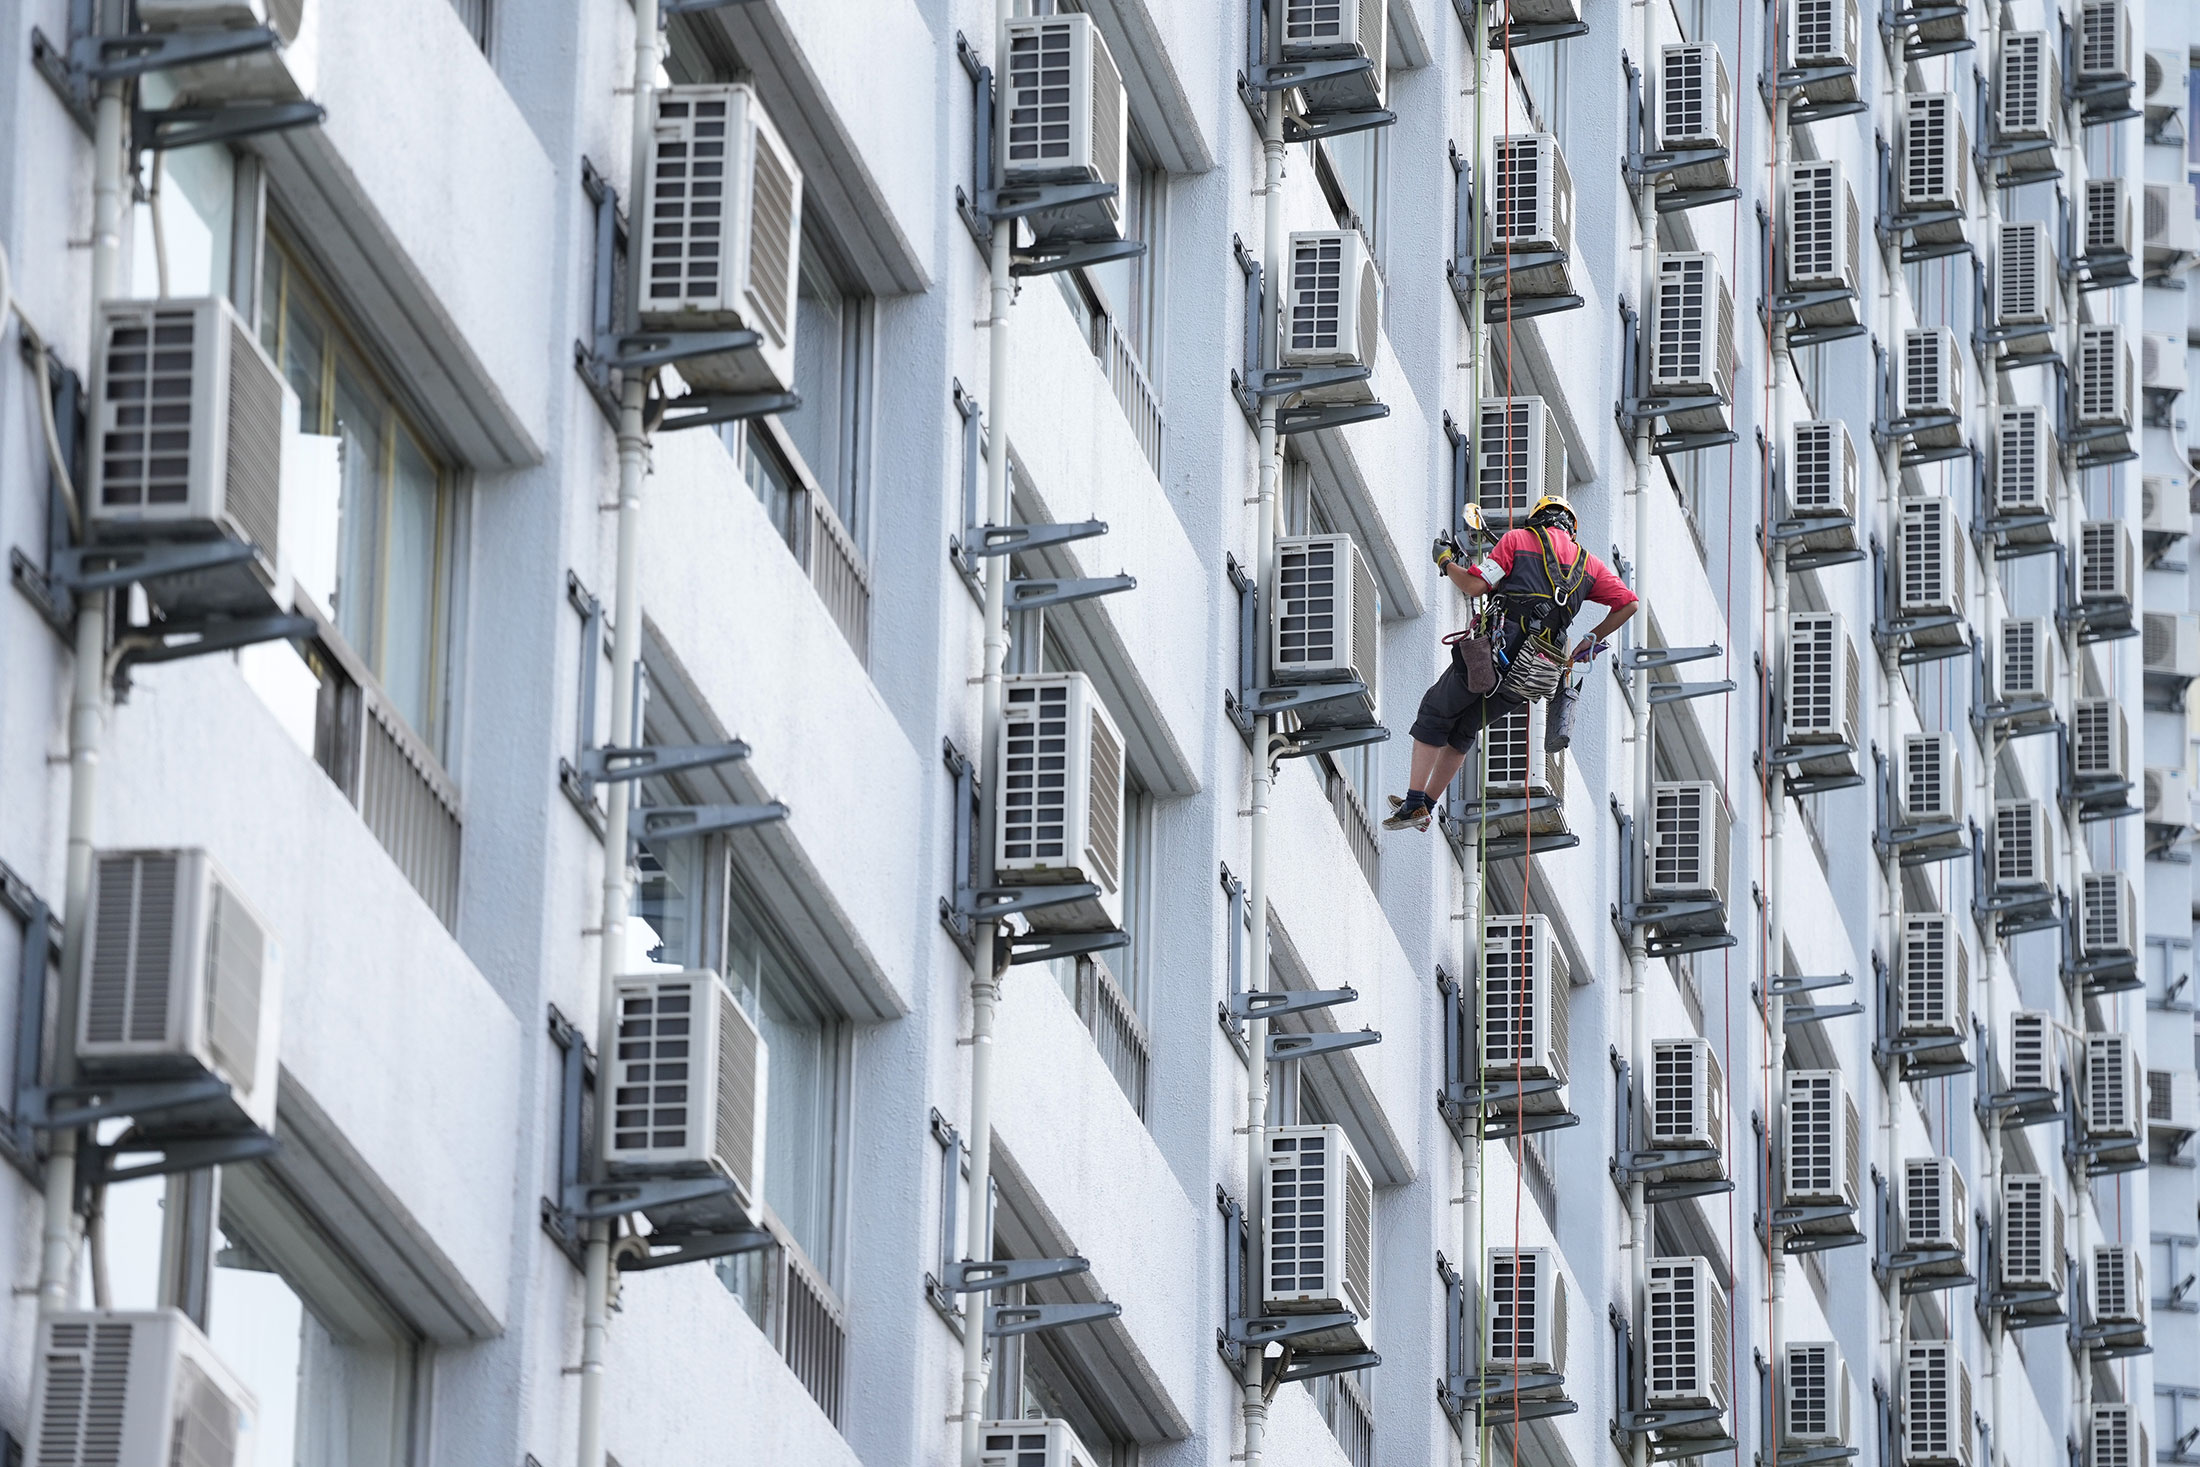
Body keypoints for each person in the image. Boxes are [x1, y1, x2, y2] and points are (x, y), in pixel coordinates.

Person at [1383, 494, 1640, 831]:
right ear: (1570, 529)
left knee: (1434, 710)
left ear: (1537, 519)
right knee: (1464, 728)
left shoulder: (1518, 540)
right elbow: (1628, 603)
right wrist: (1588, 642)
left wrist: (1445, 562)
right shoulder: (1589, 564)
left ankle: (1414, 803)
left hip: (1494, 653)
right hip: (1536, 669)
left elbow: (1476, 585)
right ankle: (1425, 805)